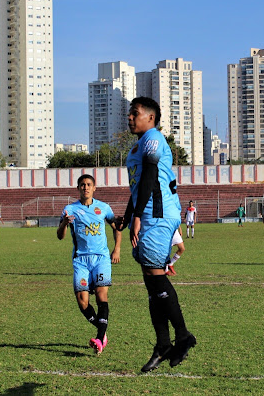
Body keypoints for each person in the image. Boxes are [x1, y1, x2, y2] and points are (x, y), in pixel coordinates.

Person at [118, 97, 196, 372]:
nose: (130, 117)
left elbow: (151, 175)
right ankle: (163, 344)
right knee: (152, 284)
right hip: (148, 213)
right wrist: (128, 217)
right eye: (129, 113)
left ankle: (183, 337)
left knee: (156, 278)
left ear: (150, 118)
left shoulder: (153, 138)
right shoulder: (138, 145)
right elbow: (138, 186)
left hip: (158, 215)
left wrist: (138, 216)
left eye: (135, 113)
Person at [57, 174, 122, 355]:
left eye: (88, 185)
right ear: (78, 188)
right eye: (82, 185)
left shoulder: (103, 208)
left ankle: (100, 338)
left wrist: (117, 249)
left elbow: (117, 226)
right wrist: (63, 223)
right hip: (81, 260)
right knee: (82, 301)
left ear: (94, 188)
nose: (85, 187)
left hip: (101, 258)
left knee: (102, 295)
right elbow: (60, 236)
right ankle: (102, 329)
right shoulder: (70, 209)